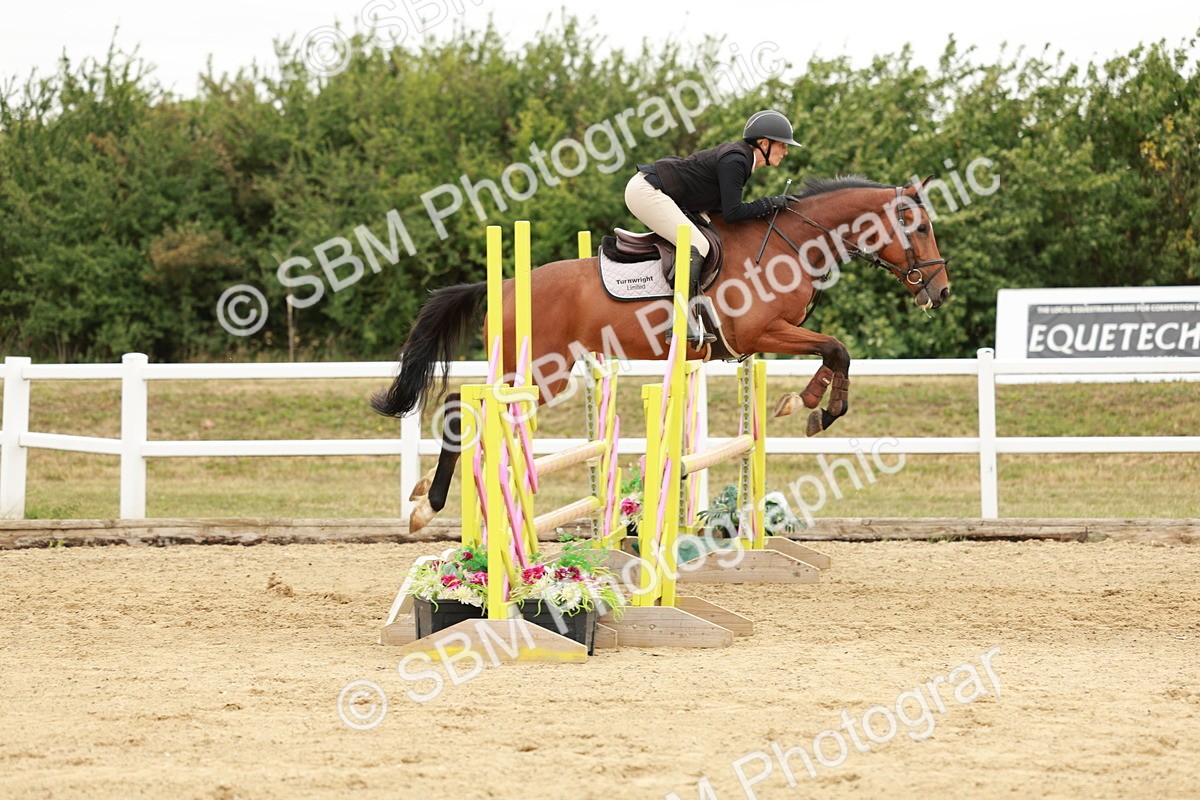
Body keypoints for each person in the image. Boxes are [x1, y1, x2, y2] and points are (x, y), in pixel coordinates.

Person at [625, 109, 800, 345]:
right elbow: (733, 213)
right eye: (783, 145)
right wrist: (770, 203)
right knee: (697, 245)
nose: (787, 152)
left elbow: (721, 213)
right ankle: (680, 319)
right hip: (646, 191)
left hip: (665, 194)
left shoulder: (742, 161)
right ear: (764, 143)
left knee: (713, 239)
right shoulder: (736, 161)